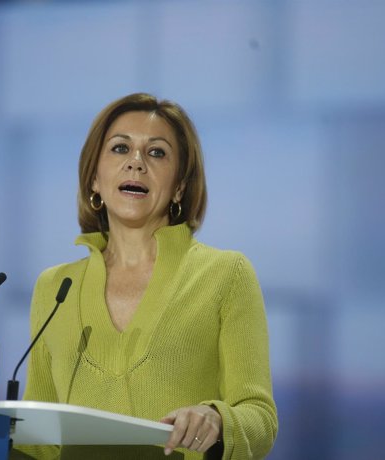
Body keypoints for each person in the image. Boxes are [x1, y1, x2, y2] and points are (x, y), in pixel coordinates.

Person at [14, 93, 277, 459]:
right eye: (120, 149)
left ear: (180, 187)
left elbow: (259, 417)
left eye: (156, 153)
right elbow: (36, 440)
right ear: (94, 178)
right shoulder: (55, 288)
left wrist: (217, 419)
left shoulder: (226, 274)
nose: (136, 163)